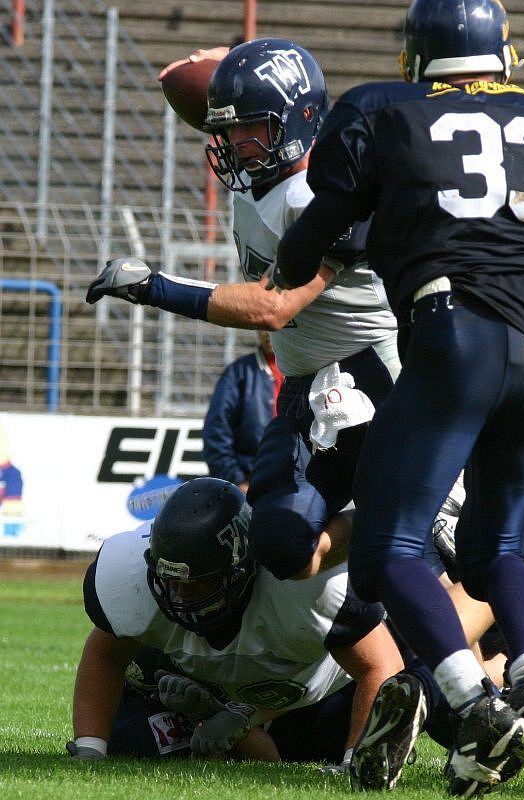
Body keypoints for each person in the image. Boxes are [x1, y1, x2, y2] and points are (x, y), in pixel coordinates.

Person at [271, 0, 524, 794]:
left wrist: (310, 257)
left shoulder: (383, 110)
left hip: (456, 336)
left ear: (416, 59)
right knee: (499, 548)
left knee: (389, 550)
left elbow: (312, 236)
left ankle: (471, 698)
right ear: (505, 55)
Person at [85, 38, 401, 584]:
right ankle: (389, 525)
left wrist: (155, 287)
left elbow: (273, 306)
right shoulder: (260, 180)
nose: (236, 142)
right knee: (282, 546)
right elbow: (184, 81)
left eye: (252, 126)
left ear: (301, 118)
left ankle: (415, 523)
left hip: (373, 379)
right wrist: (230, 63)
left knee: (414, 550)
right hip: (303, 386)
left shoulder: (322, 193)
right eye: (230, 129)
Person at [66, 476, 405, 762]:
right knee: (134, 743)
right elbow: (106, 654)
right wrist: (90, 748)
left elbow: (381, 665)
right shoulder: (132, 580)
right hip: (223, 685)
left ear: (240, 567)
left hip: (325, 690)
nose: (180, 594)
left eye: (198, 582)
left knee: (319, 746)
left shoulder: (306, 588)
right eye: (171, 581)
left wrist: (358, 762)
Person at [202, 330, 282, 492]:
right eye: (263, 326)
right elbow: (216, 431)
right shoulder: (238, 372)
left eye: (274, 326)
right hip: (252, 482)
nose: (268, 333)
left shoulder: (305, 371)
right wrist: (236, 481)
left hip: (294, 484)